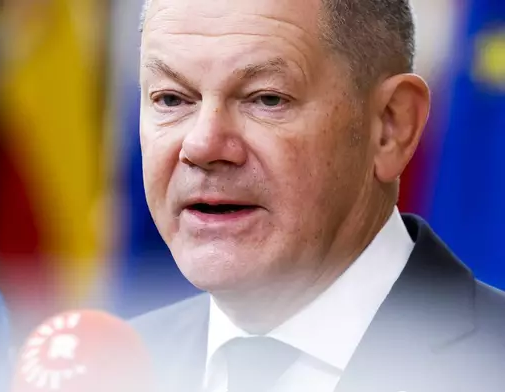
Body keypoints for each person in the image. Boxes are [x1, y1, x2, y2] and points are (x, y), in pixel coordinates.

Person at [131, 0, 505, 391]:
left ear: (390, 126)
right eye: (170, 99)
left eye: (267, 98)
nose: (202, 145)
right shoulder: (109, 371)